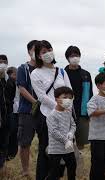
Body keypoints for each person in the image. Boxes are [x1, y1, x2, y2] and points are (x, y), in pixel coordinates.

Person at [31, 40, 72, 180]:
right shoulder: (36, 73)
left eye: (49, 49)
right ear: (38, 56)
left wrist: (67, 107)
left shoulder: (61, 71)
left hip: (65, 116)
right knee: (46, 150)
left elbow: (70, 91)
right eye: (43, 52)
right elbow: (42, 96)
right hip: (47, 116)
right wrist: (58, 106)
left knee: (62, 152)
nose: (48, 53)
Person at [16, 40, 38, 178]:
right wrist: (36, 102)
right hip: (27, 111)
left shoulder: (46, 69)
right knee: (25, 142)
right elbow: (22, 88)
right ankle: (25, 170)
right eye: (34, 49)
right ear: (29, 51)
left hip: (44, 112)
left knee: (46, 142)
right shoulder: (22, 68)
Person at [87, 73, 105, 180]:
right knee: (97, 162)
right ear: (98, 85)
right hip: (96, 137)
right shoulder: (94, 99)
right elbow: (91, 111)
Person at [64, 45, 93, 150]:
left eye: (76, 55)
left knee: (81, 141)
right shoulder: (62, 74)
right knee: (67, 140)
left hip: (82, 112)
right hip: (66, 111)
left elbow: (90, 94)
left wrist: (89, 111)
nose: (74, 57)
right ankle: (68, 163)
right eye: (72, 56)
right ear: (67, 58)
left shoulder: (86, 74)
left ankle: (79, 162)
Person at [46, 86, 76, 180]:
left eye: (70, 98)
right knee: (55, 173)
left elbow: (73, 125)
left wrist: (71, 134)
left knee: (72, 169)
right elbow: (54, 131)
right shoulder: (52, 115)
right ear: (56, 99)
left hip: (69, 148)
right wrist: (65, 140)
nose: (68, 100)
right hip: (56, 150)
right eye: (65, 97)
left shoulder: (68, 112)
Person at [0, 54, 16, 170]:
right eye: (0, 61)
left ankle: (2, 166)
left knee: (5, 141)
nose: (2, 64)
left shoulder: (10, 81)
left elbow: (12, 97)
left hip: (7, 115)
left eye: (4, 61)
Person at [6, 67, 19, 160]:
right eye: (15, 74)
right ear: (10, 74)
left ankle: (12, 153)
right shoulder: (9, 83)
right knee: (13, 132)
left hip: (15, 110)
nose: (16, 76)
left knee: (14, 132)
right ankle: (11, 153)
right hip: (12, 111)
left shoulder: (14, 83)